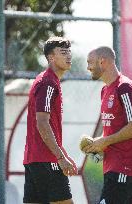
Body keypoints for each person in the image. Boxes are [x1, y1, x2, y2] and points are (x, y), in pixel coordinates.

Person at [83, 46, 132, 204]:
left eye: (90, 62)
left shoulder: (124, 87)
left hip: (125, 166)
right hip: (112, 167)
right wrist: (98, 145)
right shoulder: (105, 90)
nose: (88, 67)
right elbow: (113, 131)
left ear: (102, 62)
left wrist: (105, 141)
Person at [23, 36, 77, 204]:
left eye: (69, 52)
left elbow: (48, 126)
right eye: (63, 52)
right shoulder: (48, 82)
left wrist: (63, 154)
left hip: (35, 160)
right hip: (47, 160)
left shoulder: (49, 80)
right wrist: (60, 157)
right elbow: (42, 123)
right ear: (51, 57)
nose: (69, 56)